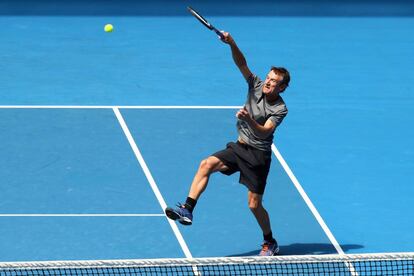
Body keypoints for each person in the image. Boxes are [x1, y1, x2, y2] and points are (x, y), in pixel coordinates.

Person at [165, 31, 290, 256]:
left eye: (274, 82)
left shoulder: (280, 109)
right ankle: (187, 209)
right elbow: (242, 63)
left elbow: (264, 133)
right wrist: (231, 43)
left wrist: (248, 118)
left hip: (258, 157)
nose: (268, 82)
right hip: (239, 147)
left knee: (254, 205)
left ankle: (269, 241)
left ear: (282, 88)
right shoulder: (256, 85)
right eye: (268, 78)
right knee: (206, 164)